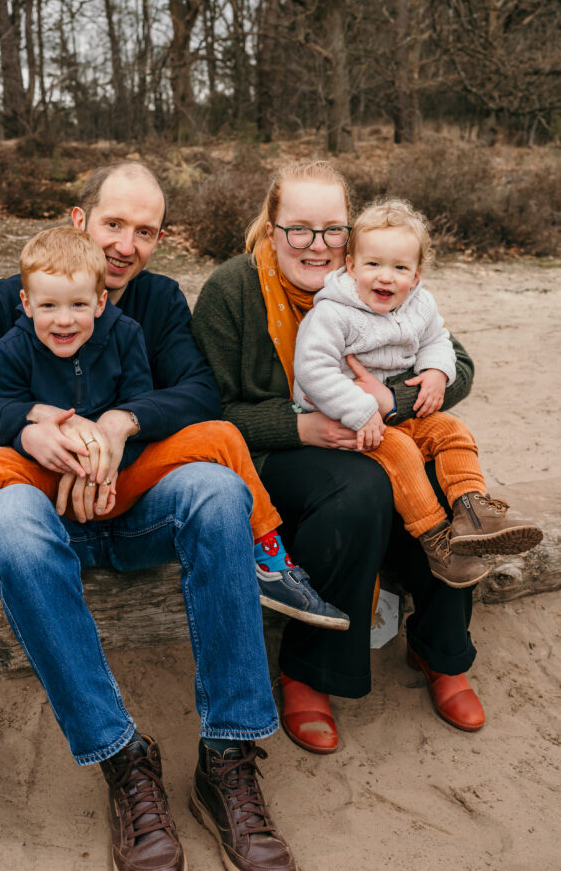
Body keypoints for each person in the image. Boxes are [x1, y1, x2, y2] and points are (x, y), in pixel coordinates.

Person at [0, 163, 298, 871]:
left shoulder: (159, 303)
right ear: (80, 222)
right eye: (115, 224)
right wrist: (24, 422)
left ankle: (228, 759)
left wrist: (120, 423)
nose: (127, 244)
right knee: (8, 518)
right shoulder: (8, 303)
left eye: (145, 231)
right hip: (43, 513)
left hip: (140, 508)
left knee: (216, 490)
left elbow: (200, 394)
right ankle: (124, 762)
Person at [191, 159, 492, 756]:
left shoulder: (382, 281)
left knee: (446, 482)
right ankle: (310, 671)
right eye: (298, 228)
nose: (316, 245)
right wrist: (301, 425)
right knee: (358, 491)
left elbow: (456, 366)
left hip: (381, 429)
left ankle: (442, 651)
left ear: (350, 237)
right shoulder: (231, 291)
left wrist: (395, 396)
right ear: (271, 227)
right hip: (277, 453)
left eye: (333, 230)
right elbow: (210, 413)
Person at [293, 198, 542, 589]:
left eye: (400, 267)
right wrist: (360, 409)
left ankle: (474, 511)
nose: (386, 278)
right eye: (373, 264)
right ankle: (438, 542)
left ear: (417, 273)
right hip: (346, 418)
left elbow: (437, 339)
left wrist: (436, 372)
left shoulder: (419, 303)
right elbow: (312, 371)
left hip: (400, 414)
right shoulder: (332, 314)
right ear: (351, 265)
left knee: (452, 430)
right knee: (404, 455)